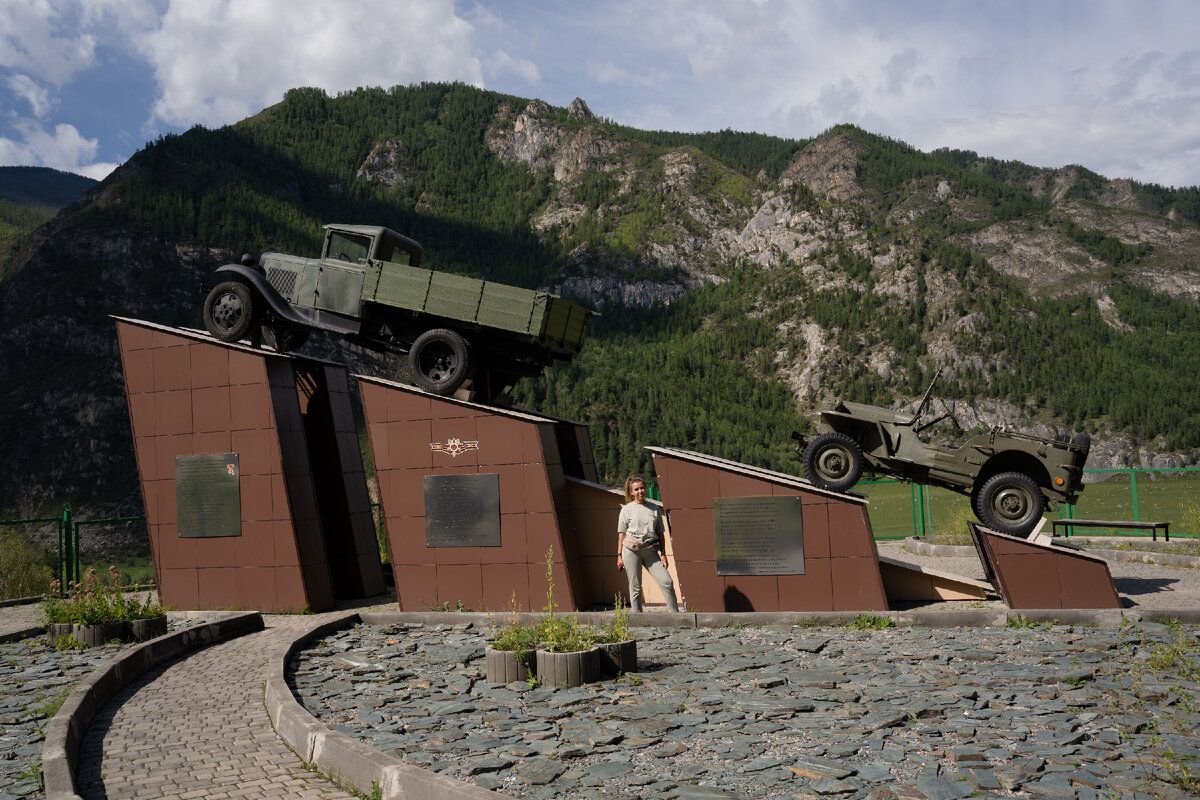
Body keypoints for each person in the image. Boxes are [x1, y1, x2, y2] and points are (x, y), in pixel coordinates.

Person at [616, 475, 678, 612]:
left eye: (642, 488)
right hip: (631, 550)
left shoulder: (654, 508)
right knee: (635, 587)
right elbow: (621, 534)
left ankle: (676, 616)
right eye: (636, 489)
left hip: (650, 550)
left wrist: (663, 554)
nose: (640, 491)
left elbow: (661, 534)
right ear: (631, 493)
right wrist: (619, 555)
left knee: (666, 581)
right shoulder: (626, 510)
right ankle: (638, 619)